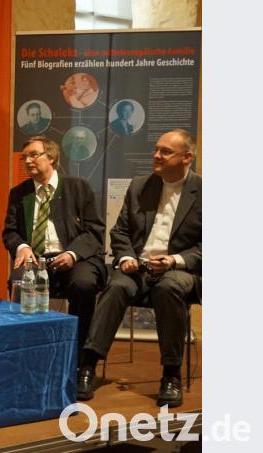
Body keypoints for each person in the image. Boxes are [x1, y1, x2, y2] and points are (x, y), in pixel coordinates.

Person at [77, 129, 201, 408]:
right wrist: (125, 257)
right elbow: (120, 231)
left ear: (186, 157)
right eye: (156, 149)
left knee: (169, 287)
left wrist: (174, 260)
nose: (156, 155)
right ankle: (87, 366)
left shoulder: (204, 192)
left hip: (179, 270)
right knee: (117, 285)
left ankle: (170, 374)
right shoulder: (140, 185)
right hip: (138, 267)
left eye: (165, 151)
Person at [2, 136, 106, 355]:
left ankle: (79, 355)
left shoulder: (79, 187)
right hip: (35, 258)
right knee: (19, 280)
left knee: (84, 284)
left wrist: (72, 253)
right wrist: (22, 247)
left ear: (51, 157)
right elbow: (10, 232)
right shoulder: (19, 193)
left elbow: (94, 230)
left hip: (75, 258)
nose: (28, 161)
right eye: (24, 157)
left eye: (33, 155)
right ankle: (29, 348)